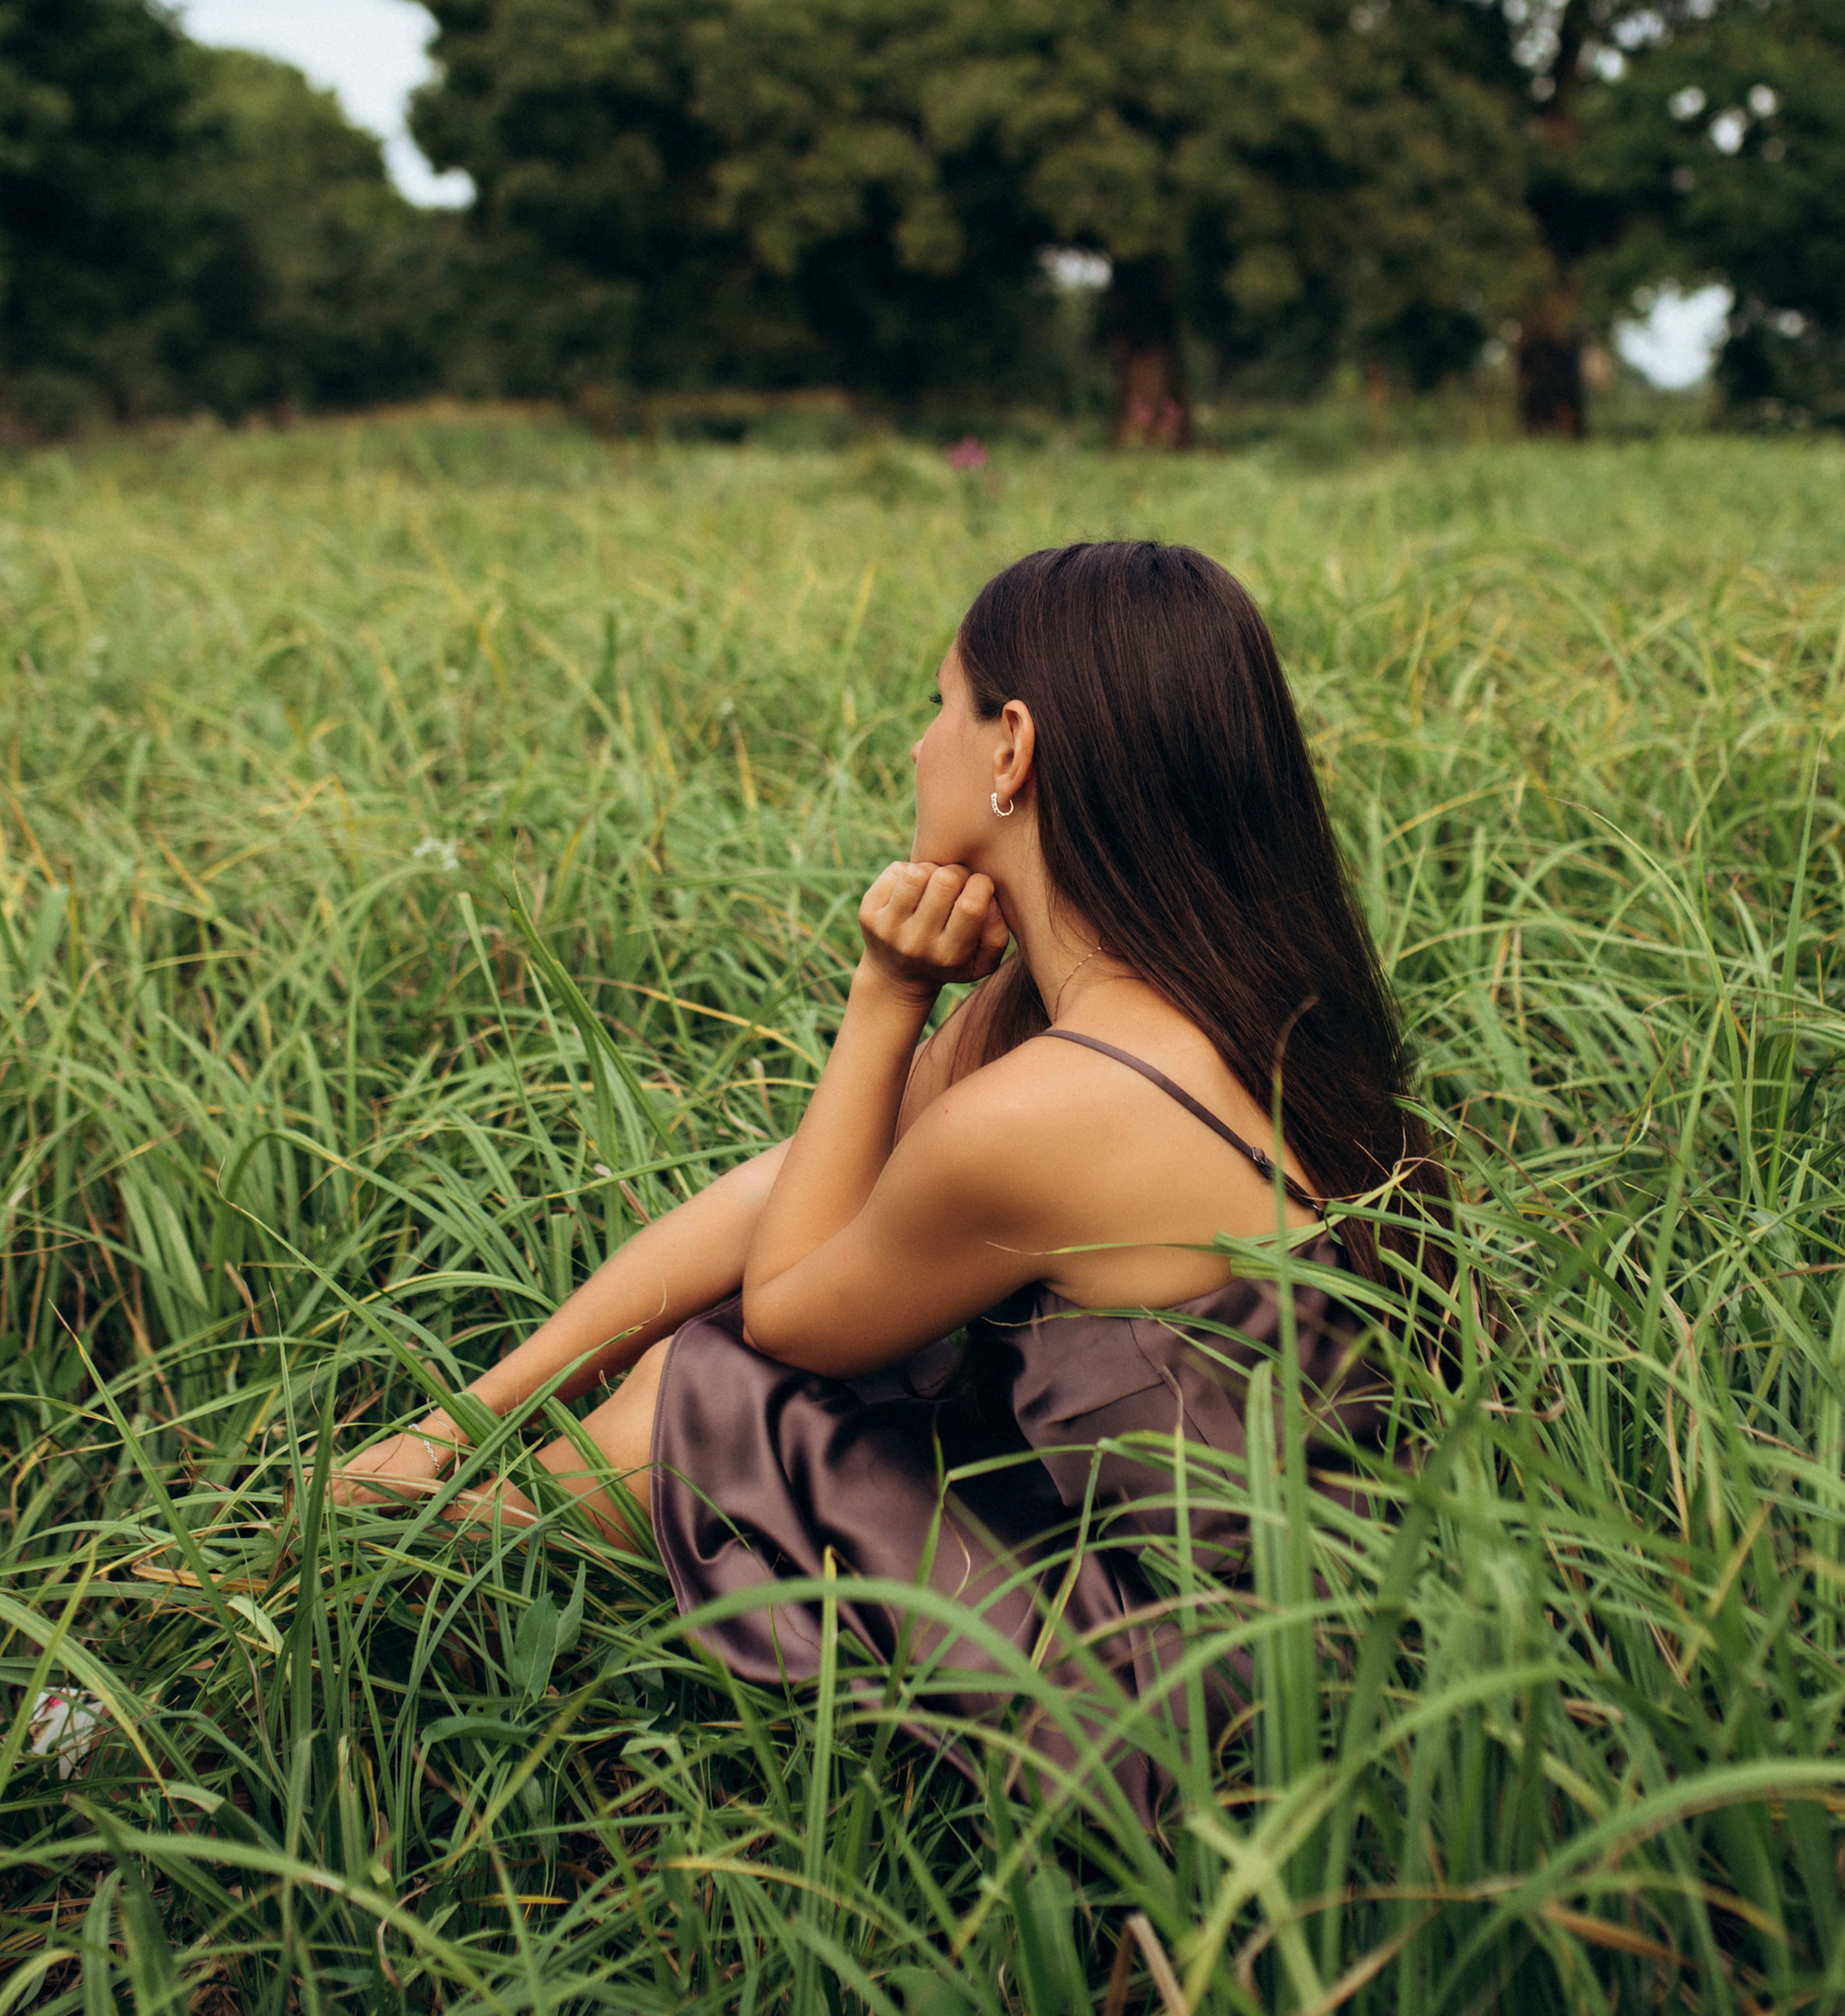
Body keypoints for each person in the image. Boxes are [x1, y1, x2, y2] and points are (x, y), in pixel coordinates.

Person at [338, 540, 1436, 1816]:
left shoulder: (1051, 1109)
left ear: (1012, 745)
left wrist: (887, 995)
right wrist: (461, 1415)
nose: (920, 748)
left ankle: (349, 1576)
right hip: (1289, 1607)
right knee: (709, 1377)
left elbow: (789, 1314)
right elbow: (801, 1186)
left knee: (710, 1395)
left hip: (1183, 1704)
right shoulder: (1206, 997)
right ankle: (416, 1491)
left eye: (939, 704)